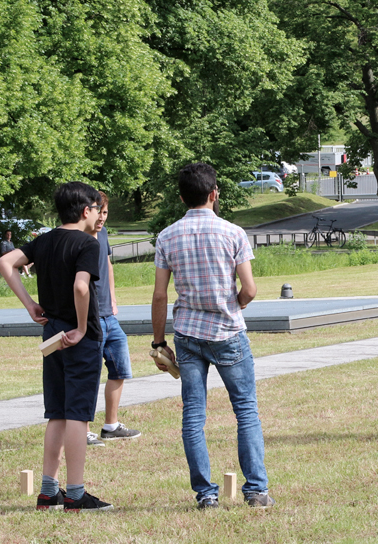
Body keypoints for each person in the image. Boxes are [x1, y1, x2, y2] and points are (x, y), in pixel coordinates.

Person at [151, 162, 273, 509]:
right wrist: (231, 306)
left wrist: (159, 342)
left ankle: (206, 495)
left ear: (181, 198)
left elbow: (160, 295)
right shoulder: (233, 233)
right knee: (246, 410)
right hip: (227, 331)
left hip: (187, 334)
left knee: (193, 415)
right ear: (214, 194)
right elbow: (249, 289)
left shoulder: (167, 236)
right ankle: (256, 491)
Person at [0, 182, 113, 512]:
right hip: (80, 338)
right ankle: (75, 494)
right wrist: (79, 328)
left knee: (57, 412)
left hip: (51, 334)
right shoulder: (87, 243)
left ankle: (49, 491)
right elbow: (81, 286)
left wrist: (30, 305)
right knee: (78, 414)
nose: (97, 215)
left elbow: (6, 263)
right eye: (96, 208)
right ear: (85, 211)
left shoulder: (44, 241)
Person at [84, 191, 141, 446]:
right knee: (88, 374)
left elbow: (108, 266)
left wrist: (114, 299)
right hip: (88, 317)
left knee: (119, 368)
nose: (102, 218)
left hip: (109, 315)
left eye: (105, 213)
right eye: (99, 212)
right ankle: (82, 430)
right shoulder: (78, 238)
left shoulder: (103, 234)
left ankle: (111, 425)